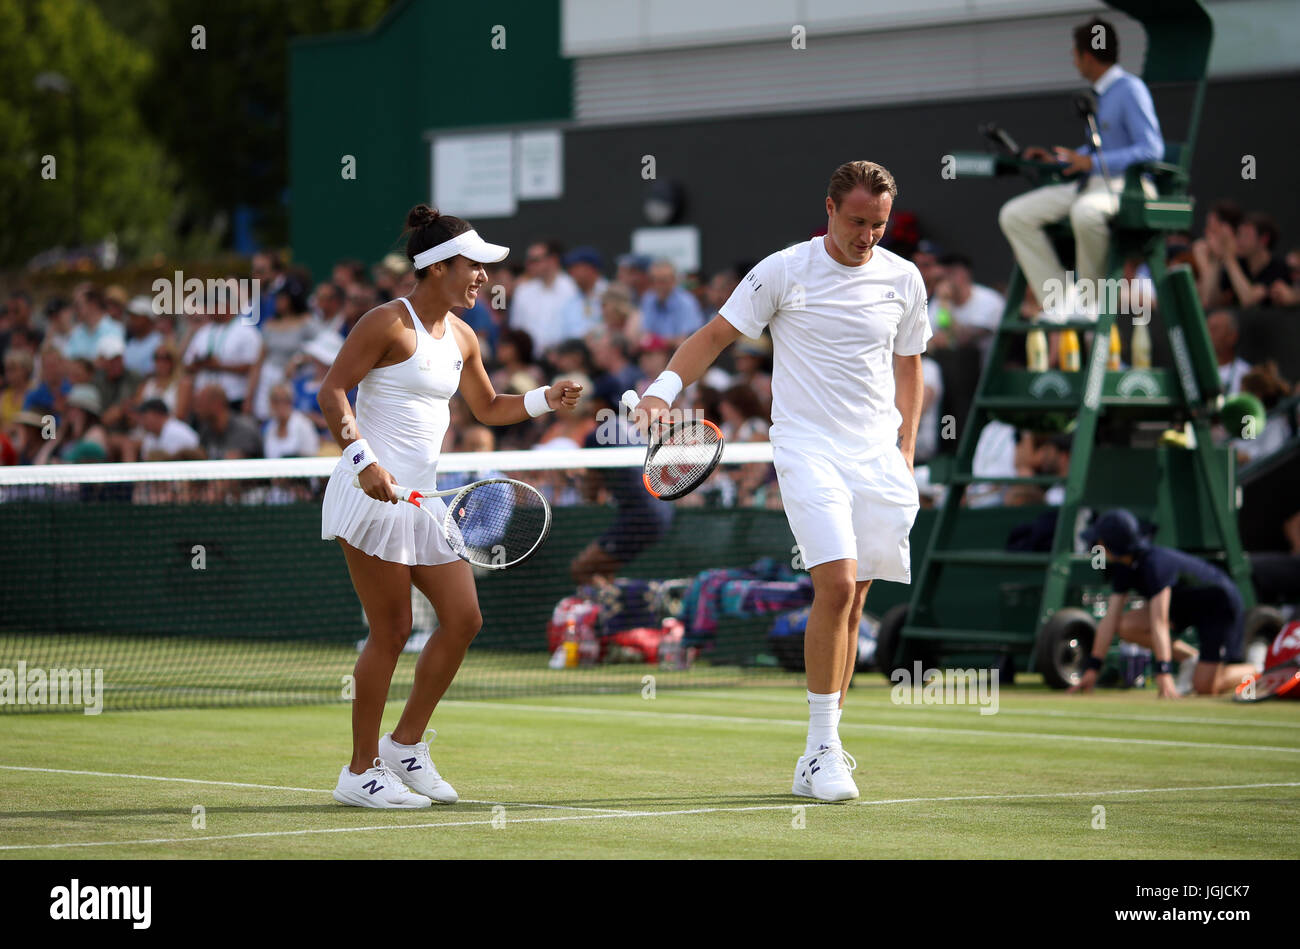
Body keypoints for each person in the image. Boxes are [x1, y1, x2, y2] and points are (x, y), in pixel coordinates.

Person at [631, 160, 930, 802]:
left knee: (854, 601)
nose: (866, 236)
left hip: (878, 456)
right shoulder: (782, 270)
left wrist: (905, 448)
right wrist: (661, 392)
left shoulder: (904, 278)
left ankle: (825, 748)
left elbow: (910, 366)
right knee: (836, 583)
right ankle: (822, 749)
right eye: (856, 222)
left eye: (877, 225)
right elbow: (714, 335)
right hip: (807, 448)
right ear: (828, 209)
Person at [317, 204, 582, 809]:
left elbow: (488, 408)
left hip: (425, 503)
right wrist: (364, 463)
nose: (483, 277)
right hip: (370, 496)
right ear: (438, 267)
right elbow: (331, 389)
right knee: (392, 631)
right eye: (473, 265)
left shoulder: (464, 336)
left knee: (463, 619)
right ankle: (359, 772)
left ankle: (403, 746)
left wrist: (545, 398)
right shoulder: (385, 323)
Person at [998, 16, 1162, 323]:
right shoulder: (1100, 95)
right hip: (1092, 184)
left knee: (1086, 213)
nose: (1074, 63)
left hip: (1129, 187)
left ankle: (1090, 302)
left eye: (1074, 55)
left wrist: (1092, 162)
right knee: (1014, 215)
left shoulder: (1131, 89)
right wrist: (1063, 161)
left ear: (1087, 56)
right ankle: (1060, 301)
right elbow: (1102, 148)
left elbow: (1152, 148)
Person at [1070, 509, 1256, 697]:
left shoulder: (1155, 565)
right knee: (1126, 626)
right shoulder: (1123, 567)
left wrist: (1164, 671)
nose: (1096, 545)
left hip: (1217, 607)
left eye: (1099, 542)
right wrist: (1093, 669)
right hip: (1182, 606)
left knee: (1205, 688)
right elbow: (1110, 618)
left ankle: (1257, 669)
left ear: (1111, 544)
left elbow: (1160, 621)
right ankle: (1190, 660)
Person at [509, 239, 579, 352]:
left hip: (564, 357)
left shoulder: (572, 288)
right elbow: (517, 328)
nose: (529, 265)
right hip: (530, 360)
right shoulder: (522, 291)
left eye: (535, 260)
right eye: (529, 260)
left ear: (553, 260)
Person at [639, 259, 705, 343]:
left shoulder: (687, 302)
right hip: (655, 352)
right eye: (653, 281)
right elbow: (645, 335)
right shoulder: (649, 299)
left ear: (674, 281)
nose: (658, 285)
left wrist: (659, 342)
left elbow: (685, 340)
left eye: (663, 281)